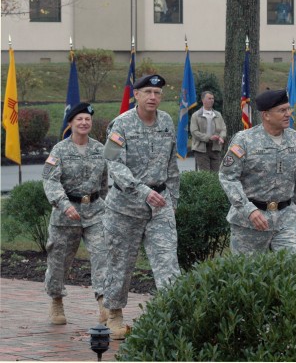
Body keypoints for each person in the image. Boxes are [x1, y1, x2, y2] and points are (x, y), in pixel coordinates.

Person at [101, 74, 181, 339]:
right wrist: (143, 191)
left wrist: (173, 201)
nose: (153, 98)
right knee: (120, 264)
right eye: (147, 92)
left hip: (160, 206)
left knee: (168, 261)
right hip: (125, 208)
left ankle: (174, 315)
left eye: (157, 93)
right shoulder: (120, 125)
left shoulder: (167, 122)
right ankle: (114, 313)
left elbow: (172, 165)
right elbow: (114, 164)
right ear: (136, 95)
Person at [219, 89, 296, 255]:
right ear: (266, 115)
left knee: (294, 270)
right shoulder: (244, 140)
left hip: (286, 218)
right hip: (250, 222)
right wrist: (249, 210)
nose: (288, 114)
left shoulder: (295, 138)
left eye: (288, 109)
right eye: (282, 110)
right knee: (248, 275)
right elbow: (228, 177)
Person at [42, 102, 109, 325]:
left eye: (87, 119)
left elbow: (106, 182)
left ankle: (104, 305)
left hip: (95, 213)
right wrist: (63, 203)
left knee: (103, 256)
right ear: (70, 123)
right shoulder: (59, 150)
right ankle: (56, 301)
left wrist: (106, 205)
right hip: (65, 215)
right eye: (79, 119)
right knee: (58, 261)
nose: (83, 123)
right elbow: (50, 181)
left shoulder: (101, 149)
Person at [190, 91, 227, 173]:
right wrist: (209, 137)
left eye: (213, 98)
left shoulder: (218, 114)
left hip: (215, 148)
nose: (212, 100)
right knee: (206, 175)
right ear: (203, 100)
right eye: (209, 98)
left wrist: (221, 137)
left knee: (216, 174)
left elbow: (223, 129)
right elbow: (194, 132)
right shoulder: (196, 115)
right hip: (201, 149)